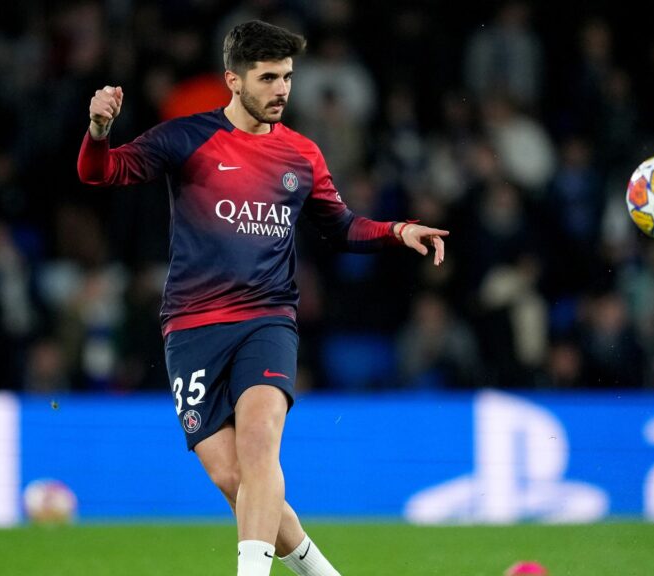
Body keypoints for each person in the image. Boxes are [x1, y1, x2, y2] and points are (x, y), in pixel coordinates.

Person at [76, 20, 449, 576]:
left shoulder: (301, 154)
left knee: (260, 442)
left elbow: (341, 226)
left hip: (267, 318)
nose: (282, 89)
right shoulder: (188, 138)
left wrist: (397, 230)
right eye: (268, 77)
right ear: (234, 79)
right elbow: (100, 172)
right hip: (192, 326)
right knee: (233, 478)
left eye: (288, 77)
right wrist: (99, 129)